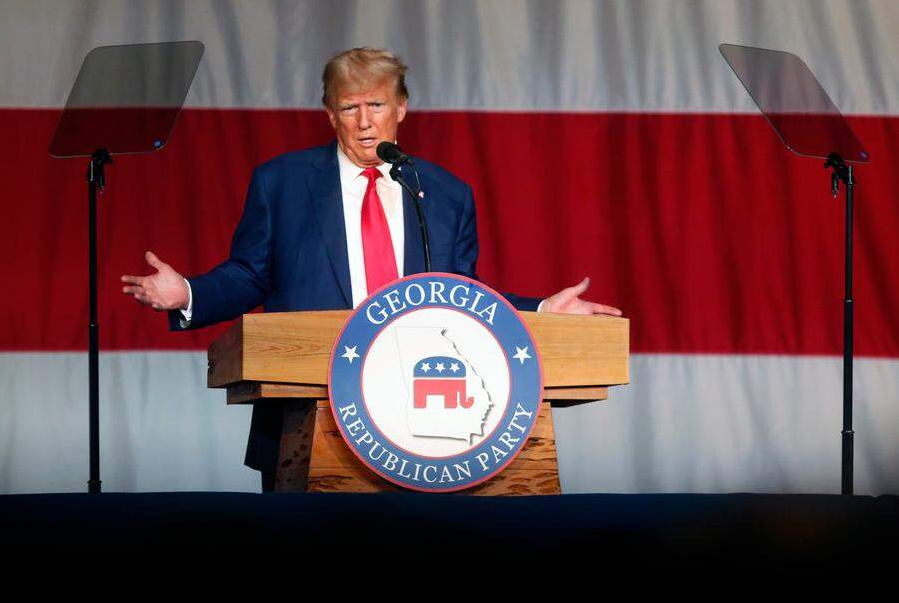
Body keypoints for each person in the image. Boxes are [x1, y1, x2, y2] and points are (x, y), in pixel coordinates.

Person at [121, 47, 621, 490]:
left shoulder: (445, 195)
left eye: (376, 105)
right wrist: (189, 293)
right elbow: (250, 275)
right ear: (330, 115)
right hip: (306, 418)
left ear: (401, 108)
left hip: (423, 424)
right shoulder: (283, 184)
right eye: (349, 107)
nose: (364, 122)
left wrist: (540, 311)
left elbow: (462, 296)